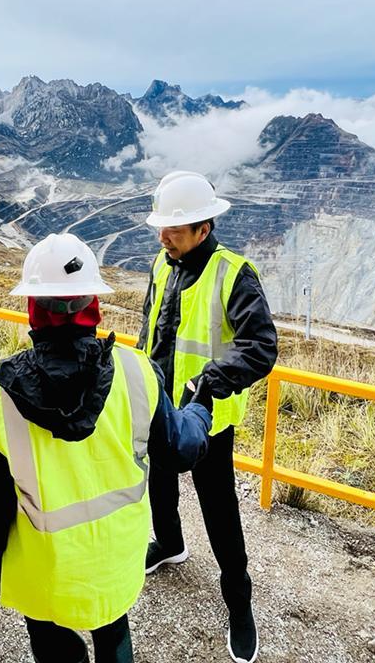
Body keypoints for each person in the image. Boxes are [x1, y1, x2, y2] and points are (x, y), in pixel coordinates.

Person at [0, 233, 214, 663]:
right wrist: (200, 408)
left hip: (40, 568)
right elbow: (181, 450)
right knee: (114, 636)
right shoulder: (139, 374)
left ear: (32, 311)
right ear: (94, 307)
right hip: (113, 563)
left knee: (49, 637)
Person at [138, 171, 278, 663]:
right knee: (158, 482)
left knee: (219, 507)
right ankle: (170, 544)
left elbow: (262, 348)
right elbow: (150, 327)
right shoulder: (163, 262)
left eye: (172, 231)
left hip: (208, 417)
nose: (162, 238)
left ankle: (239, 602)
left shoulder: (233, 272)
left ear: (203, 227)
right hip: (158, 404)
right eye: (162, 230)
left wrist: (210, 384)